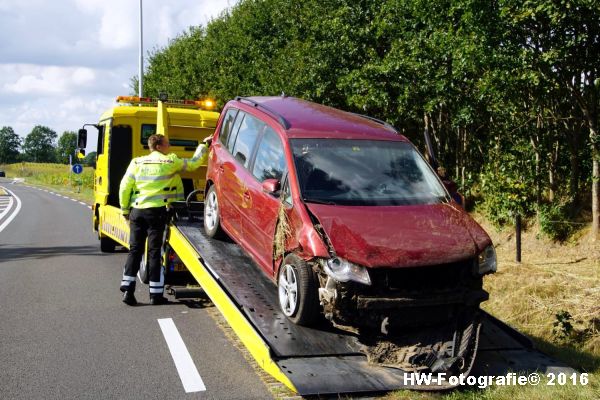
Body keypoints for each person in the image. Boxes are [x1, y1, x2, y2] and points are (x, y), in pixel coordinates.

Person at [119, 134, 211, 305]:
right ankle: (155, 295)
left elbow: (125, 186)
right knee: (154, 252)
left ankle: (128, 289)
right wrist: (204, 145)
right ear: (159, 146)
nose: (170, 147)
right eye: (168, 145)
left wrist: (125, 209)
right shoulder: (170, 162)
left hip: (137, 211)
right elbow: (194, 164)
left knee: (135, 250)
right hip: (157, 212)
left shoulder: (136, 162)